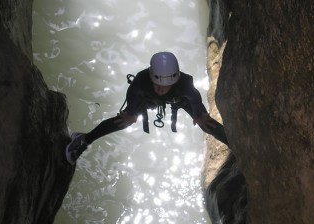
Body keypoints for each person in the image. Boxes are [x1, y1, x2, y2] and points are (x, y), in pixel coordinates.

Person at [65, 51, 228, 165]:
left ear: (175, 80)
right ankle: (83, 140)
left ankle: (234, 143)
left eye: (166, 85)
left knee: (205, 123)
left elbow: (194, 97)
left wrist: (199, 115)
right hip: (147, 99)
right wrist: (132, 113)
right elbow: (132, 94)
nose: (161, 89)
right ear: (151, 77)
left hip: (177, 99)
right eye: (158, 84)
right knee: (124, 122)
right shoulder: (141, 81)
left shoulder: (184, 83)